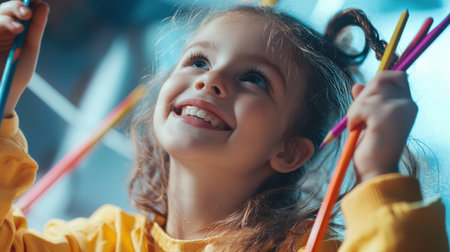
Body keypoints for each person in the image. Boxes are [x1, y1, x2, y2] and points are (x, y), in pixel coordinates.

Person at [0, 1, 447, 251]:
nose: (211, 80)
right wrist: (3, 97)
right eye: (198, 60)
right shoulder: (103, 241)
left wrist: (379, 175)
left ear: (290, 150)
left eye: (254, 79)